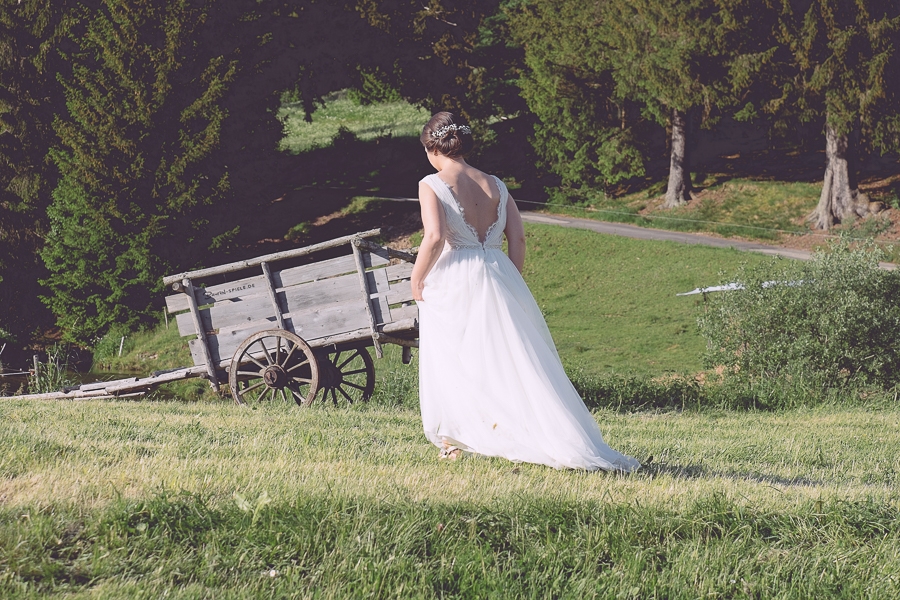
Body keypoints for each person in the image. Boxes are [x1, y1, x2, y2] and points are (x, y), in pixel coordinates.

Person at [410, 111, 641, 472]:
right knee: (512, 359)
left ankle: (453, 438)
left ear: (431, 148)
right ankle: (528, 429)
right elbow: (516, 236)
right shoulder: (496, 185)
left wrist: (417, 279)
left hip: (456, 277)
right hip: (498, 270)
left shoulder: (432, 183)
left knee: (457, 357)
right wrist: (510, 277)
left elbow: (435, 237)